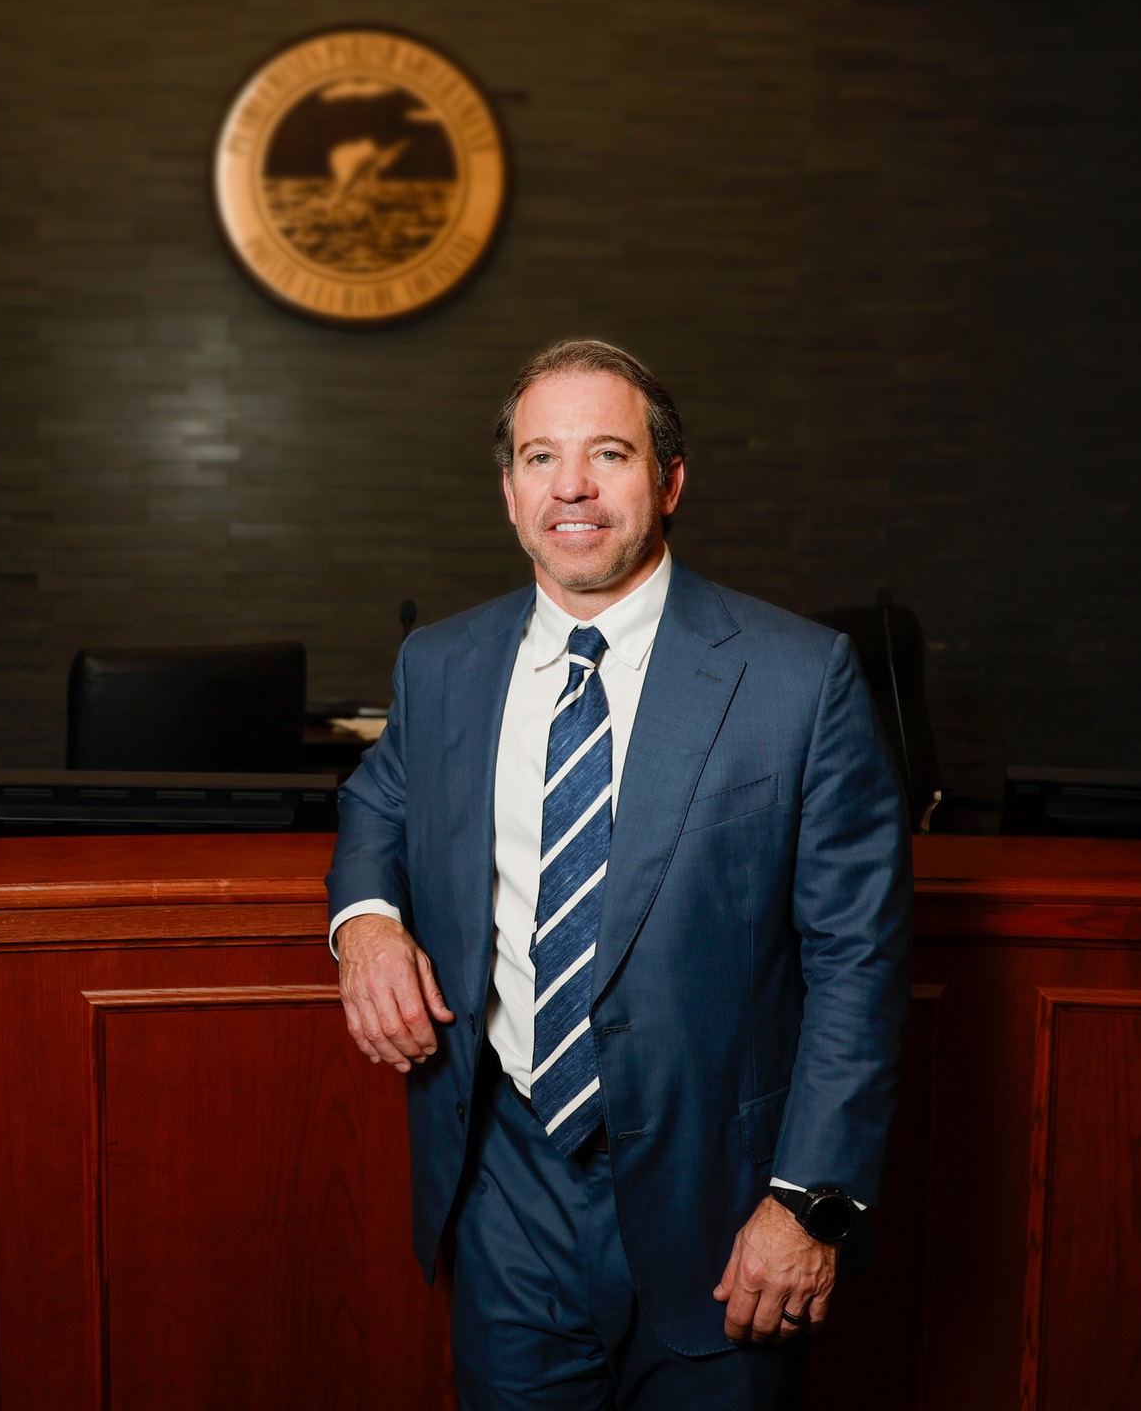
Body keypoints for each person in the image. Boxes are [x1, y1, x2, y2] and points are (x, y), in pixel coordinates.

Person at [327, 339, 912, 1408]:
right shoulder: (441, 665)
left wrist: (808, 1205)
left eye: (608, 452)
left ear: (669, 480)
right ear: (509, 492)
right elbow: (378, 799)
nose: (573, 488)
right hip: (503, 1191)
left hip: (725, 1214)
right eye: (539, 457)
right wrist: (364, 923)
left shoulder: (798, 678)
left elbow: (857, 964)